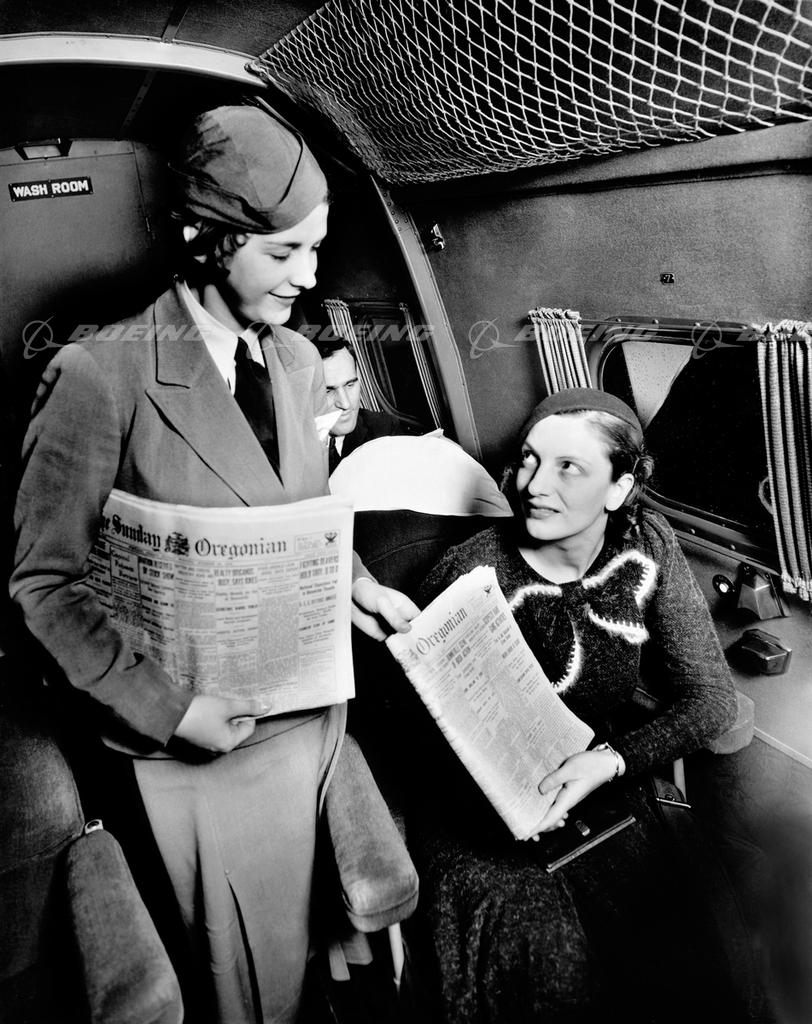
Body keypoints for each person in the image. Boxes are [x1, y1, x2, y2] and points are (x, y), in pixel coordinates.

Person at [9, 105, 418, 1024]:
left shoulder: (302, 361)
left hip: (312, 713)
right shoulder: (98, 375)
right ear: (204, 238)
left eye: (316, 250)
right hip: (200, 742)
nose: (308, 277)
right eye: (283, 253)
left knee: (318, 952)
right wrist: (171, 710)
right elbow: (42, 586)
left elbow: (298, 519)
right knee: (248, 980)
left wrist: (355, 586)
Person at [405, 388, 754, 1024]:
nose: (535, 485)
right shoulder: (469, 572)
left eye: (570, 467)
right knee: (552, 968)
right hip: (475, 806)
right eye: (530, 459)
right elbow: (412, 736)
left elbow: (712, 700)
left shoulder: (647, 545)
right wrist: (509, 802)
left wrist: (611, 761)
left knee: (688, 954)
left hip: (595, 777)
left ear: (619, 489)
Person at [316, 334, 414, 473]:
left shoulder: (385, 429)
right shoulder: (288, 453)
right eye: (328, 391)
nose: (345, 404)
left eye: (350, 384)